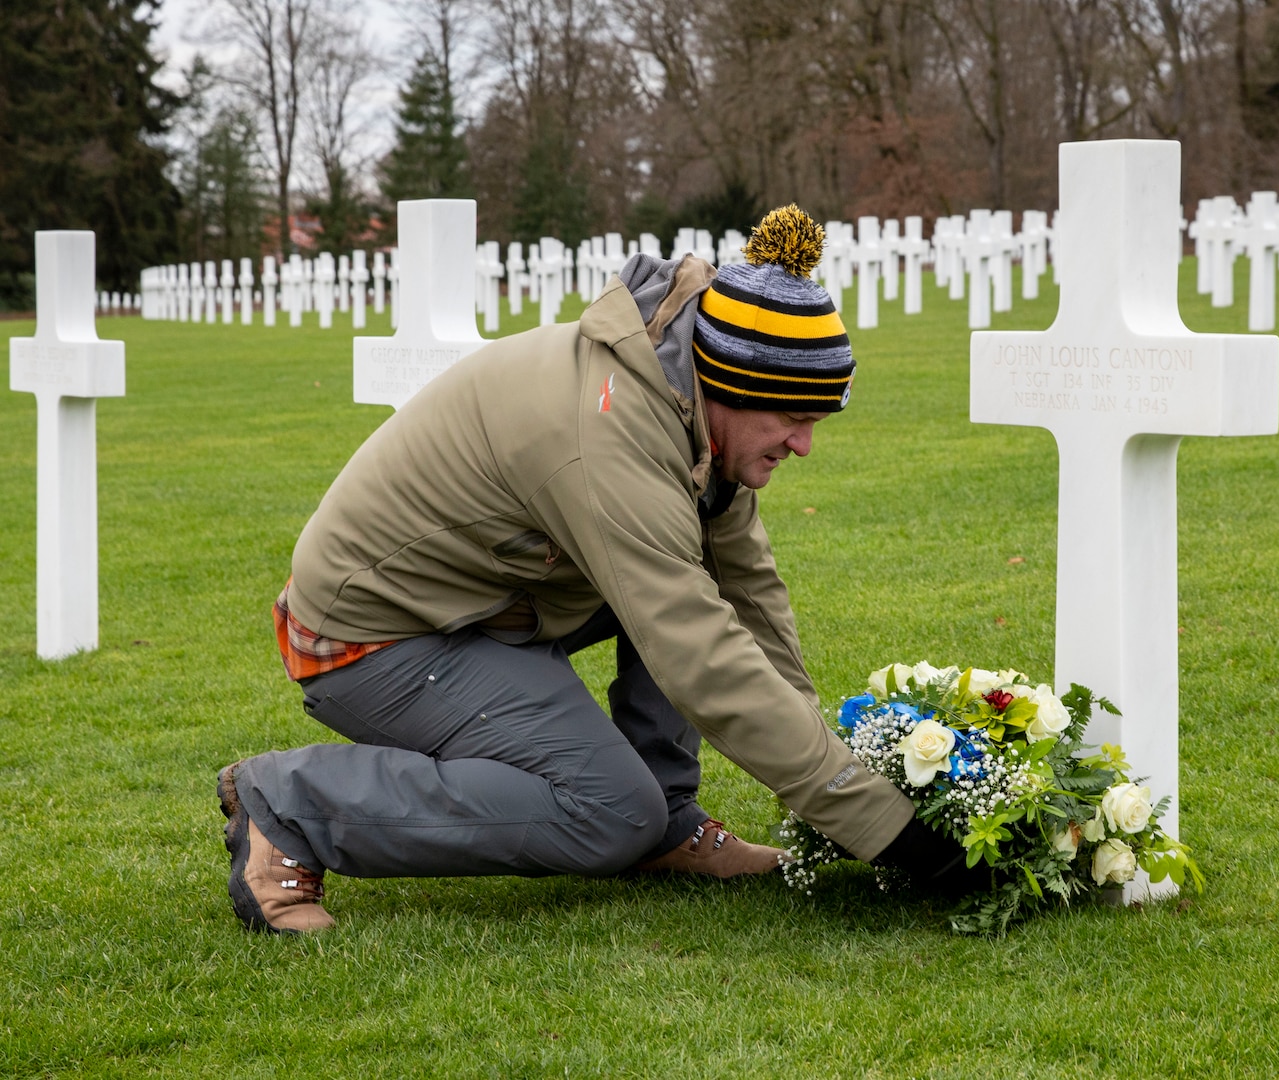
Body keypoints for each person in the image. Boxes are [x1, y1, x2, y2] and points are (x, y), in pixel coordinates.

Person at [217, 206, 972, 934]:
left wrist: (835, 783)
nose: (804, 444)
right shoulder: (612, 430)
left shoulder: (684, 406)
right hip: (374, 635)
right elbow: (695, 647)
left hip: (484, 608)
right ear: (733, 387)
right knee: (609, 811)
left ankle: (667, 829)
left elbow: (747, 599)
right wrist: (888, 830)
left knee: (691, 595)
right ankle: (290, 804)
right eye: (792, 417)